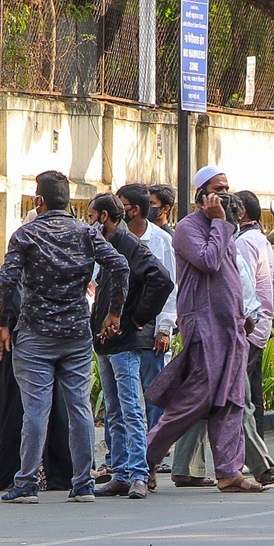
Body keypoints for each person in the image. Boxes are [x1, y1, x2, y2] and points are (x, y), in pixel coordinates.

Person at [0, 171, 129, 505]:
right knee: (79, 407)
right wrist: (114, 312)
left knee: (35, 411)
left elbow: (7, 281)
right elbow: (121, 265)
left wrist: (1, 323)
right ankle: (82, 483)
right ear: (68, 201)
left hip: (35, 334)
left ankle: (26, 483)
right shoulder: (86, 232)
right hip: (76, 334)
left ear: (39, 201)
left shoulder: (26, 234)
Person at [145, 166, 265, 493]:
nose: (224, 194)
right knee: (194, 402)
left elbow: (233, 274)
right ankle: (144, 460)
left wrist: (245, 313)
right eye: (217, 188)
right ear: (201, 194)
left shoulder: (224, 227)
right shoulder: (188, 228)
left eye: (227, 188)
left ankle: (229, 473)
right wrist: (218, 222)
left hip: (232, 328)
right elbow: (209, 261)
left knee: (231, 402)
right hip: (204, 328)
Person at [86, 194, 174, 500]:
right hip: (105, 341)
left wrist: (138, 317)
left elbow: (162, 280)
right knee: (114, 410)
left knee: (131, 407)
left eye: (92, 216)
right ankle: (121, 472)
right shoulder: (105, 246)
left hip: (124, 340)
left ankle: (138, 472)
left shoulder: (130, 246)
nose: (89, 222)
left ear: (105, 217)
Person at [0, 265, 74, 493]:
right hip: (24, 351)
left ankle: (36, 474)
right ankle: (30, 474)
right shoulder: (33, 277)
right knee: (29, 414)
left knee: (38, 414)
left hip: (29, 350)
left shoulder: (32, 276)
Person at [234, 190, 274, 486]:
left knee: (241, 397)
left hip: (247, 327)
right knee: (251, 395)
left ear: (241, 214)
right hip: (261, 326)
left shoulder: (243, 243)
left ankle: (248, 457)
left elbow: (243, 287)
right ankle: (255, 456)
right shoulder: (261, 241)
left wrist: (250, 316)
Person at [116, 184, 176, 431]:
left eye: (123, 207)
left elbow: (170, 285)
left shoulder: (162, 240)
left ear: (135, 210)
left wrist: (164, 329)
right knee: (120, 398)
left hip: (150, 327)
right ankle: (118, 453)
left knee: (153, 390)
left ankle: (155, 446)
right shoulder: (114, 239)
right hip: (119, 326)